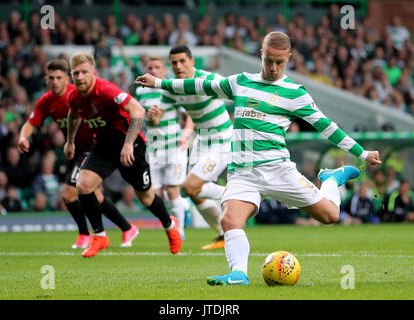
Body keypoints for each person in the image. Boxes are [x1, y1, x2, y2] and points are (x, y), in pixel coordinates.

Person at [135, 31, 382, 285]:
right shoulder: (241, 82)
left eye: (279, 62)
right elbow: (198, 85)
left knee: (330, 217)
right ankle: (239, 274)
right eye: (269, 61)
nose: (273, 68)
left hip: (278, 171)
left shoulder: (295, 93)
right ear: (261, 54)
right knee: (229, 219)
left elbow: (327, 127)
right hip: (243, 173)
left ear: (288, 58)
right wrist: (159, 83)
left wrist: (362, 153)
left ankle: (331, 180)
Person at [64, 52, 182, 258]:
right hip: (102, 147)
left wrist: (128, 143)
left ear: (94, 72)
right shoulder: (74, 97)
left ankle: (169, 225)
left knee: (146, 199)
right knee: (82, 186)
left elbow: (137, 110)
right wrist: (70, 140)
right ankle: (100, 236)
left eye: (84, 72)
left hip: (131, 145)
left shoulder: (106, 90)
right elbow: (73, 115)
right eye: (76, 73)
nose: (80, 77)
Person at [18, 59, 139, 249]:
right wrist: (22, 137)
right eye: (51, 78)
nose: (55, 81)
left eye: (59, 77)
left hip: (92, 148)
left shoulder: (77, 95)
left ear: (67, 78)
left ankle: (85, 234)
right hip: (75, 150)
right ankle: (127, 227)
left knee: (68, 194)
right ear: (46, 79)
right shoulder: (46, 101)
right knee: (93, 196)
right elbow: (31, 123)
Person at [163, 45, 234, 250]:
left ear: (192, 62)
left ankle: (239, 192)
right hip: (202, 142)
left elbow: (235, 91)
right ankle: (223, 236)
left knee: (187, 186)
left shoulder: (208, 80)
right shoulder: (173, 87)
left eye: (182, 61)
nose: (178, 66)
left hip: (222, 140)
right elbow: (163, 110)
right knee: (194, 193)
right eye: (174, 62)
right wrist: (156, 115)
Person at [136, 54, 194, 239]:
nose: (153, 71)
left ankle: (179, 232)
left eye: (156, 67)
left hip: (174, 146)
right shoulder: (141, 91)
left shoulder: (172, 88)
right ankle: (184, 206)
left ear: (164, 70)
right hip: (153, 148)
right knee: (155, 195)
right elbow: (144, 118)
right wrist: (151, 119)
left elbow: (190, 113)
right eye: (149, 68)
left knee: (172, 189)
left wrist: (186, 132)